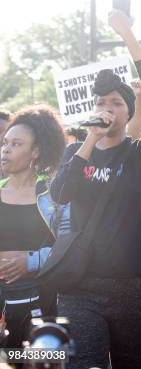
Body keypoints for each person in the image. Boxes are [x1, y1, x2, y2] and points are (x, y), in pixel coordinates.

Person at [49, 10, 141, 369]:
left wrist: (127, 35)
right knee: (84, 363)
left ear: (129, 112)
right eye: (101, 103)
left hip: (136, 285)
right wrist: (89, 140)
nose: (107, 109)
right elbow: (61, 193)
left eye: (117, 103)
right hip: (80, 285)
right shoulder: (76, 151)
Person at [0, 105, 68, 349]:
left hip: (41, 296)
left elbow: (70, 247)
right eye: (5, 143)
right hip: (2, 298)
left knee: (42, 362)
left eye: (16, 144)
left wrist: (31, 261)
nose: (5, 149)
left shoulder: (52, 195)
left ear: (36, 151)